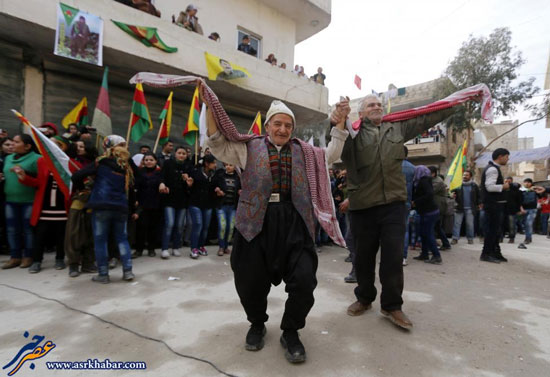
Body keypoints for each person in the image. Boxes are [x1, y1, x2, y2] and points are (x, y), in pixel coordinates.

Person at [205, 95, 347, 364]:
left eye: (288, 126)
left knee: (305, 279)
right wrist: (210, 108)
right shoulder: (248, 147)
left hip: (295, 220)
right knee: (249, 280)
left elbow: (333, 154)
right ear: (267, 125)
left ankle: (290, 331)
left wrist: (340, 127)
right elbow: (217, 144)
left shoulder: (305, 151)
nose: (283, 130)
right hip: (255, 221)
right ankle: (257, 324)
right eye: (278, 124)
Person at [331, 93, 457, 330]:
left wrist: (454, 104)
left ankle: (391, 306)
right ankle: (364, 298)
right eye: (371, 105)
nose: (377, 107)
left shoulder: (396, 128)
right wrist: (338, 114)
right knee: (363, 257)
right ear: (361, 112)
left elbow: (425, 117)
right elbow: (335, 129)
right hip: (363, 206)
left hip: (394, 205)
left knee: (392, 258)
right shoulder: (351, 132)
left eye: (379, 104)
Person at [71, 135, 137, 283]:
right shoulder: (126, 167)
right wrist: (131, 209)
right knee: (122, 239)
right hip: (121, 206)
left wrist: (84, 189)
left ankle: (103, 274)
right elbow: (132, 188)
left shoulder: (100, 162)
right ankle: (128, 271)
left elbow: (76, 176)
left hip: (101, 205)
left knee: (100, 240)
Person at [17, 137, 80, 273]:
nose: (52, 146)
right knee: (40, 235)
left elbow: (76, 185)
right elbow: (38, 183)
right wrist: (23, 177)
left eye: (57, 144)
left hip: (63, 207)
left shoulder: (71, 164)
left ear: (64, 147)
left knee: (61, 236)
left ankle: (59, 258)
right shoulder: (42, 161)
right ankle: (37, 261)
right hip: (44, 207)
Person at [2, 135, 40, 269]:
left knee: (28, 230)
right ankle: (15, 257)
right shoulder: (7, 158)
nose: (12, 144)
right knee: (12, 230)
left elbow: (39, 180)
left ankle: (28, 256)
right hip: (10, 200)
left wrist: (25, 173)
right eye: (12, 141)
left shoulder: (36, 159)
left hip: (29, 200)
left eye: (16, 142)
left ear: (28, 146)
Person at [158, 147, 193, 259]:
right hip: (169, 198)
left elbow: (191, 185)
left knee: (179, 225)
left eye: (183, 153)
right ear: (175, 154)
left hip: (182, 200)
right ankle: (164, 248)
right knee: (169, 223)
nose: (181, 155)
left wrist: (188, 182)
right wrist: (162, 183)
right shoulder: (168, 163)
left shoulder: (188, 166)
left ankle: (176, 247)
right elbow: (162, 176)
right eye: (179, 153)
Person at [188, 154, 222, 259]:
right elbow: (189, 187)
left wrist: (218, 189)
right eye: (214, 163)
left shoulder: (214, 175)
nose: (215, 165)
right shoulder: (196, 173)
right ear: (207, 164)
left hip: (208, 204)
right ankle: (194, 248)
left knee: (205, 227)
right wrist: (189, 184)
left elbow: (218, 185)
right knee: (197, 225)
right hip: (195, 203)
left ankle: (201, 246)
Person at [480, 148, 510, 263]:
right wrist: (504, 186)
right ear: (500, 156)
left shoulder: (494, 168)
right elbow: (490, 187)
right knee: (492, 230)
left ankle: (495, 252)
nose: (508, 159)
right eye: (507, 156)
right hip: (492, 205)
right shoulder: (492, 169)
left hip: (495, 205)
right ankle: (486, 253)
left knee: (496, 230)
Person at [412, 165, 443, 264]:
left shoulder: (423, 181)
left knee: (428, 233)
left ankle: (436, 256)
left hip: (429, 212)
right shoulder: (424, 180)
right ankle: (424, 254)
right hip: (426, 211)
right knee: (423, 233)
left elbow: (429, 194)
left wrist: (416, 202)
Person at [134, 153, 162, 258]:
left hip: (155, 204)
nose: (149, 162)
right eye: (146, 160)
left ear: (155, 161)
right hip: (142, 204)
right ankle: (138, 250)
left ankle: (151, 249)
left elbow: (162, 183)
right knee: (140, 228)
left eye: (151, 160)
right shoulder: (139, 172)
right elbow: (136, 186)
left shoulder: (159, 173)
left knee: (153, 228)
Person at [214, 163, 241, 256]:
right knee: (222, 226)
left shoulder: (238, 177)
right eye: (227, 165)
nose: (228, 167)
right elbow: (213, 186)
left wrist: (240, 191)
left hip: (233, 206)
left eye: (231, 165)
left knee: (230, 227)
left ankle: (226, 246)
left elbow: (241, 189)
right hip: (222, 205)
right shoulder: (220, 175)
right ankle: (221, 246)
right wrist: (217, 190)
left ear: (235, 167)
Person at [451, 170, 480, 245]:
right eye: (464, 175)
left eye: (466, 175)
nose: (464, 176)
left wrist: (479, 204)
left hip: (470, 208)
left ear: (470, 176)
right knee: (457, 223)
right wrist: (452, 194)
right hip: (459, 207)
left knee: (469, 224)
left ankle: (470, 239)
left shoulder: (474, 185)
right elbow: (451, 192)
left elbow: (479, 196)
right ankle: (455, 238)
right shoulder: (458, 185)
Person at [428, 166, 451, 251]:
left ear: (433, 173)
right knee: (437, 227)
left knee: (433, 226)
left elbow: (430, 191)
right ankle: (446, 243)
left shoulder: (437, 181)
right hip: (437, 206)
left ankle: (432, 247)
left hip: (438, 206)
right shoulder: (433, 180)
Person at [402, 147, 415, 266]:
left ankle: (391, 256)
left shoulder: (392, 165)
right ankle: (403, 257)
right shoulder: (412, 168)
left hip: (393, 201)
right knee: (405, 229)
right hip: (407, 201)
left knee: (390, 230)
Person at [503, 176, 522, 243]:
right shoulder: (503, 189)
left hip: (512, 210)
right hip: (503, 209)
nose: (507, 183)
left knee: (511, 225)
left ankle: (512, 238)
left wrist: (519, 209)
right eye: (506, 181)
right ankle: (500, 237)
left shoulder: (515, 190)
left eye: (509, 181)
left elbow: (519, 201)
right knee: (501, 224)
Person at [521, 178, 538, 244]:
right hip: (524, 209)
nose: (527, 183)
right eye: (525, 182)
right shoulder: (521, 191)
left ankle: (527, 238)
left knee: (529, 223)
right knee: (525, 224)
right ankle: (529, 237)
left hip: (532, 209)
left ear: (531, 183)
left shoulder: (535, 191)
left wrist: (535, 188)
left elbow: (542, 192)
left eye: (528, 182)